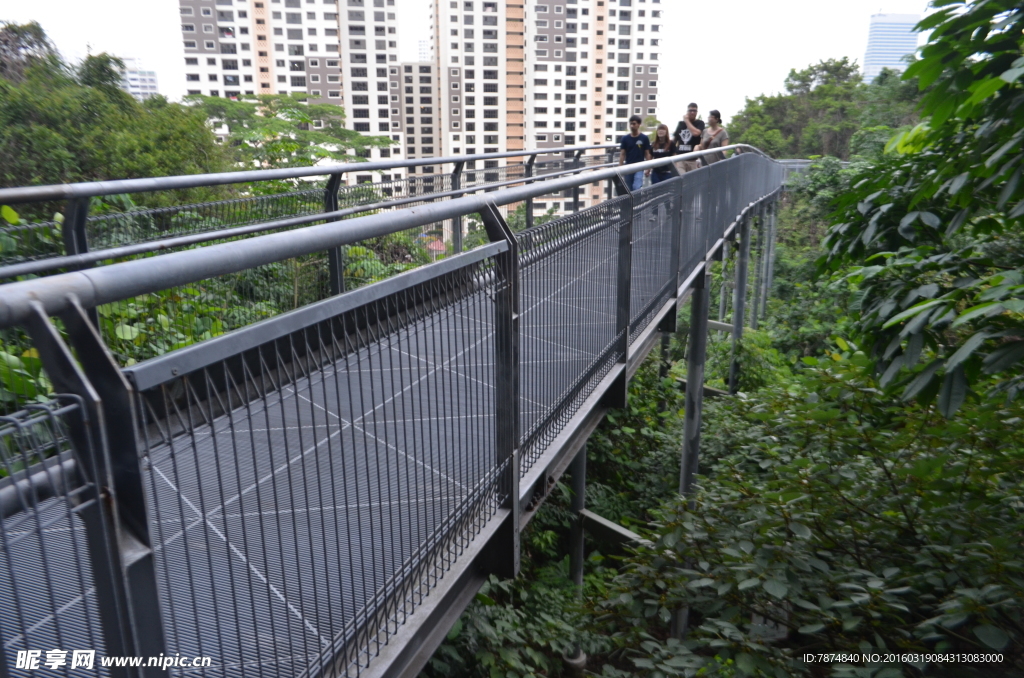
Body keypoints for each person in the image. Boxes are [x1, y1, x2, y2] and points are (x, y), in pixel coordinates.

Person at [618, 114, 652, 191]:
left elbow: (647, 153)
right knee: (629, 189)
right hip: (628, 166)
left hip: (639, 166)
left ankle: (638, 202)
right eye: (630, 124)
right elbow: (622, 153)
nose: (632, 126)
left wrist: (649, 168)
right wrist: (620, 167)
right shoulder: (625, 138)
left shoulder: (644, 138)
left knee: (636, 187)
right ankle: (632, 203)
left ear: (639, 124)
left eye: (634, 123)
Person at [673, 103, 705, 172]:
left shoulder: (700, 123)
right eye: (690, 110)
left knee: (692, 181)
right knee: (682, 180)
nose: (692, 112)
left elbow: (696, 133)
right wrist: (674, 155)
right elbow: (675, 140)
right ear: (687, 111)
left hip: (693, 160)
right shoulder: (681, 124)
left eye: (694, 111)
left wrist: (687, 121)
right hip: (680, 159)